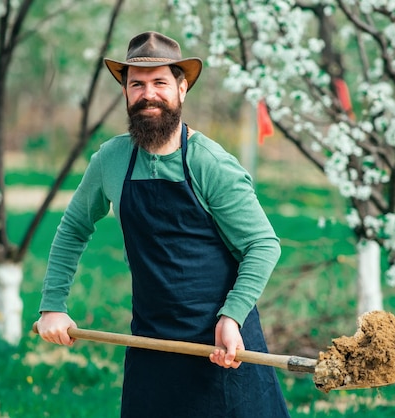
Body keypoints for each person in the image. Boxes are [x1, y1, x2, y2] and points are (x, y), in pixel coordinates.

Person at [35, 31, 290, 417]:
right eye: (136, 84)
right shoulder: (110, 160)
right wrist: (53, 305)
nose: (147, 94)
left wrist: (231, 316)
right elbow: (73, 229)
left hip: (224, 344)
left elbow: (263, 244)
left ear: (181, 88)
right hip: (152, 346)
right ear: (125, 91)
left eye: (160, 83)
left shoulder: (209, 162)